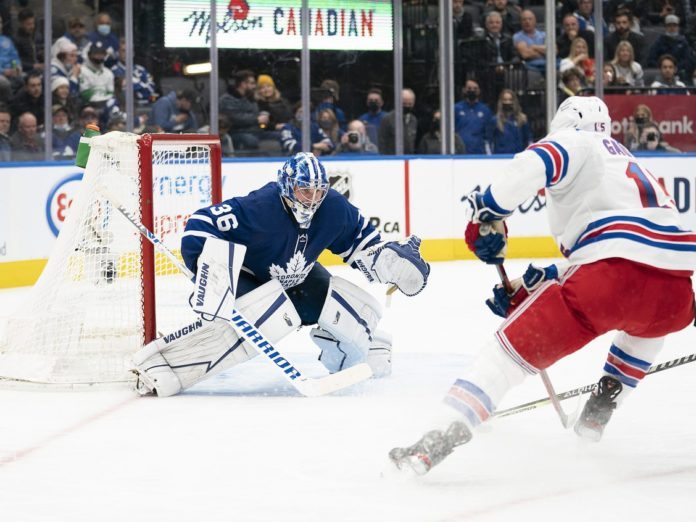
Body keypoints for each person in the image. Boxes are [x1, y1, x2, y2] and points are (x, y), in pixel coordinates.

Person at [389, 96, 695, 475]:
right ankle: (602, 405)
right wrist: (529, 286)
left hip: (608, 279)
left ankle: (436, 439)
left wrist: (488, 212)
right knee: (645, 324)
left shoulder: (578, 141)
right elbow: (641, 254)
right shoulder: (628, 163)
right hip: (677, 294)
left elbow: (536, 164)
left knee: (502, 359)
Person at [131, 152, 430, 397]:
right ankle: (164, 365)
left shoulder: (334, 208)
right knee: (265, 320)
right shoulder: (259, 207)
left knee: (346, 306)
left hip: (297, 276)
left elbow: (363, 243)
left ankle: (368, 347)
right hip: (251, 279)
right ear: (287, 187)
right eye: (304, 190)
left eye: (318, 191)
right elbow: (200, 223)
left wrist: (387, 261)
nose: (312, 199)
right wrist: (210, 271)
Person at [220, 69, 266, 152]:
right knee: (251, 141)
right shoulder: (227, 99)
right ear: (243, 84)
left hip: (255, 130)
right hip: (236, 132)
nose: (254, 86)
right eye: (252, 83)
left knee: (278, 136)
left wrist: (264, 114)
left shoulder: (251, 98)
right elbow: (235, 118)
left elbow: (257, 112)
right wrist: (256, 119)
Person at [485, 89, 532, 154]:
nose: (508, 102)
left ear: (514, 101)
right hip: (500, 158)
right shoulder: (495, 120)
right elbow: (488, 141)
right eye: (505, 100)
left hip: (518, 157)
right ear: (501, 102)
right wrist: (490, 157)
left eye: (510, 100)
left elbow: (528, 140)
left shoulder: (522, 119)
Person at [454, 80, 492, 155]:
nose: (472, 90)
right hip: (459, 152)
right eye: (469, 88)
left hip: (479, 152)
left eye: (475, 88)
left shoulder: (485, 110)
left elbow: (489, 134)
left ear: (479, 91)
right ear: (464, 90)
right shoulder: (456, 108)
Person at [378, 88, 418, 155]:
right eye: (404, 104)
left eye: (410, 104)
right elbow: (382, 144)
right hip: (392, 160)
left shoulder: (414, 120)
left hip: (409, 159)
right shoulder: (387, 119)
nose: (407, 106)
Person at [78, 41, 115, 109]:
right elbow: (86, 95)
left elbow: (110, 93)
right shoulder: (82, 70)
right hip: (88, 107)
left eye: (102, 54)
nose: (99, 57)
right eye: (96, 53)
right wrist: (104, 99)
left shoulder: (108, 73)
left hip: (106, 107)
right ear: (89, 55)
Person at [13, 7, 43, 73]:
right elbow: (15, 61)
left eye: (33, 23)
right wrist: (33, 66)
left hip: (38, 68)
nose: (32, 26)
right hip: (27, 71)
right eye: (29, 24)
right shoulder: (16, 39)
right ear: (21, 24)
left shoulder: (36, 36)